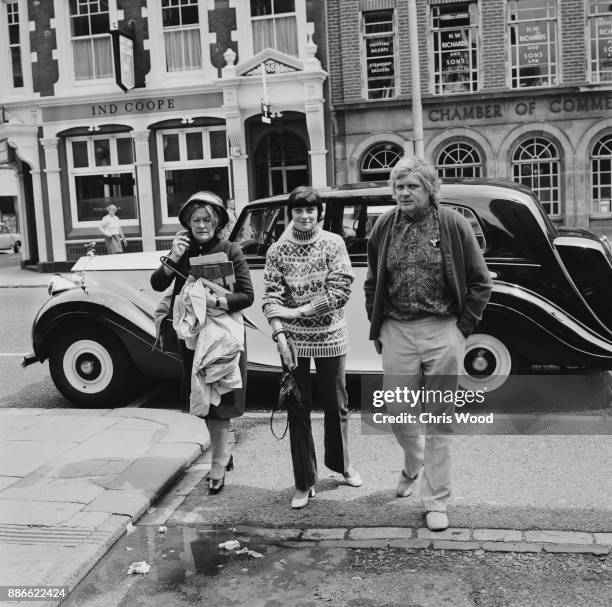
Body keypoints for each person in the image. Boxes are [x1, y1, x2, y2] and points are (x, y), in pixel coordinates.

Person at [364, 157, 492, 531]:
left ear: (429, 190)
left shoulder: (452, 223)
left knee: (439, 421)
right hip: (398, 330)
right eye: (399, 186)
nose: (403, 192)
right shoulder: (385, 224)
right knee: (396, 412)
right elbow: (373, 279)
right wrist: (378, 328)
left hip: (442, 329)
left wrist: (461, 329)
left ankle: (435, 501)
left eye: (412, 186)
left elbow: (481, 281)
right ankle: (413, 461)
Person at [262, 185, 361, 509]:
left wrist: (297, 311)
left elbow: (340, 291)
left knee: (336, 405)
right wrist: (279, 334)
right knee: (298, 407)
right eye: (299, 210)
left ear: (319, 212)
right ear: (290, 213)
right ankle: (304, 481)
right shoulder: (277, 251)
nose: (305, 216)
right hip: (292, 340)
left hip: (331, 335)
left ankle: (342, 465)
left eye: (311, 210)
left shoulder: (333, 243)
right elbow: (270, 298)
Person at [151, 191, 254, 494]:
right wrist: (171, 259)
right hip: (193, 338)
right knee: (205, 401)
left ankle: (218, 463)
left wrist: (218, 300)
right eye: (196, 220)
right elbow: (158, 283)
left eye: (207, 219)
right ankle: (224, 454)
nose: (201, 225)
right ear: (187, 222)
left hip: (222, 336)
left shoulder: (230, 250)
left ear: (218, 221)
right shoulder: (182, 251)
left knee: (221, 400)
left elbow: (247, 295)